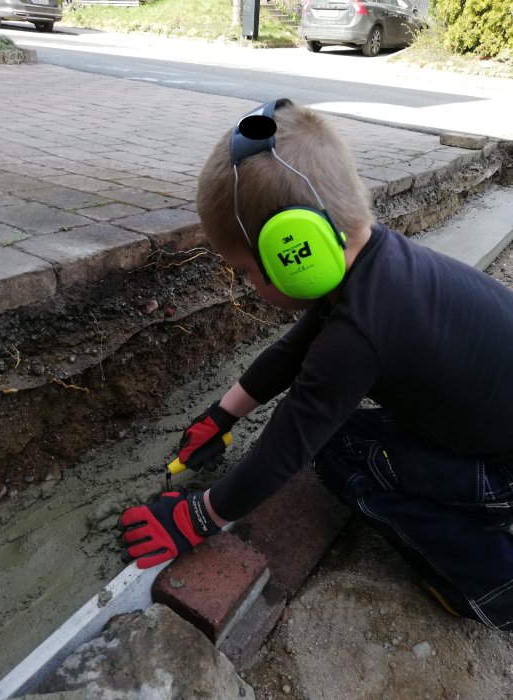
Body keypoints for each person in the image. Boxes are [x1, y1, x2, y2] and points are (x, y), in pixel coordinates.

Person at [118, 98, 513, 630]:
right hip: (496, 427)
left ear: (293, 254)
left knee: (333, 454)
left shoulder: (356, 338)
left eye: (244, 271)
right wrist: (224, 413)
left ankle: (492, 584)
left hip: (503, 473)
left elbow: (286, 447)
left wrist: (198, 515)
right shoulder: (379, 264)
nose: (246, 285)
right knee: (346, 434)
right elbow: (297, 349)